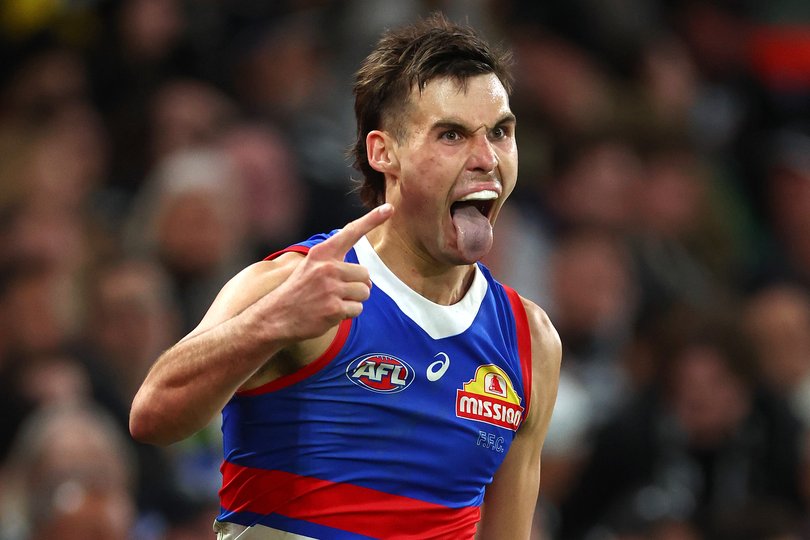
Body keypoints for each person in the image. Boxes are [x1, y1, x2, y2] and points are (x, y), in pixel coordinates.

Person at [130, 12, 561, 540]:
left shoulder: (529, 341)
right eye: (452, 135)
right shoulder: (295, 283)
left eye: (500, 132)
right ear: (385, 152)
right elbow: (153, 416)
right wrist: (272, 322)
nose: (486, 158)